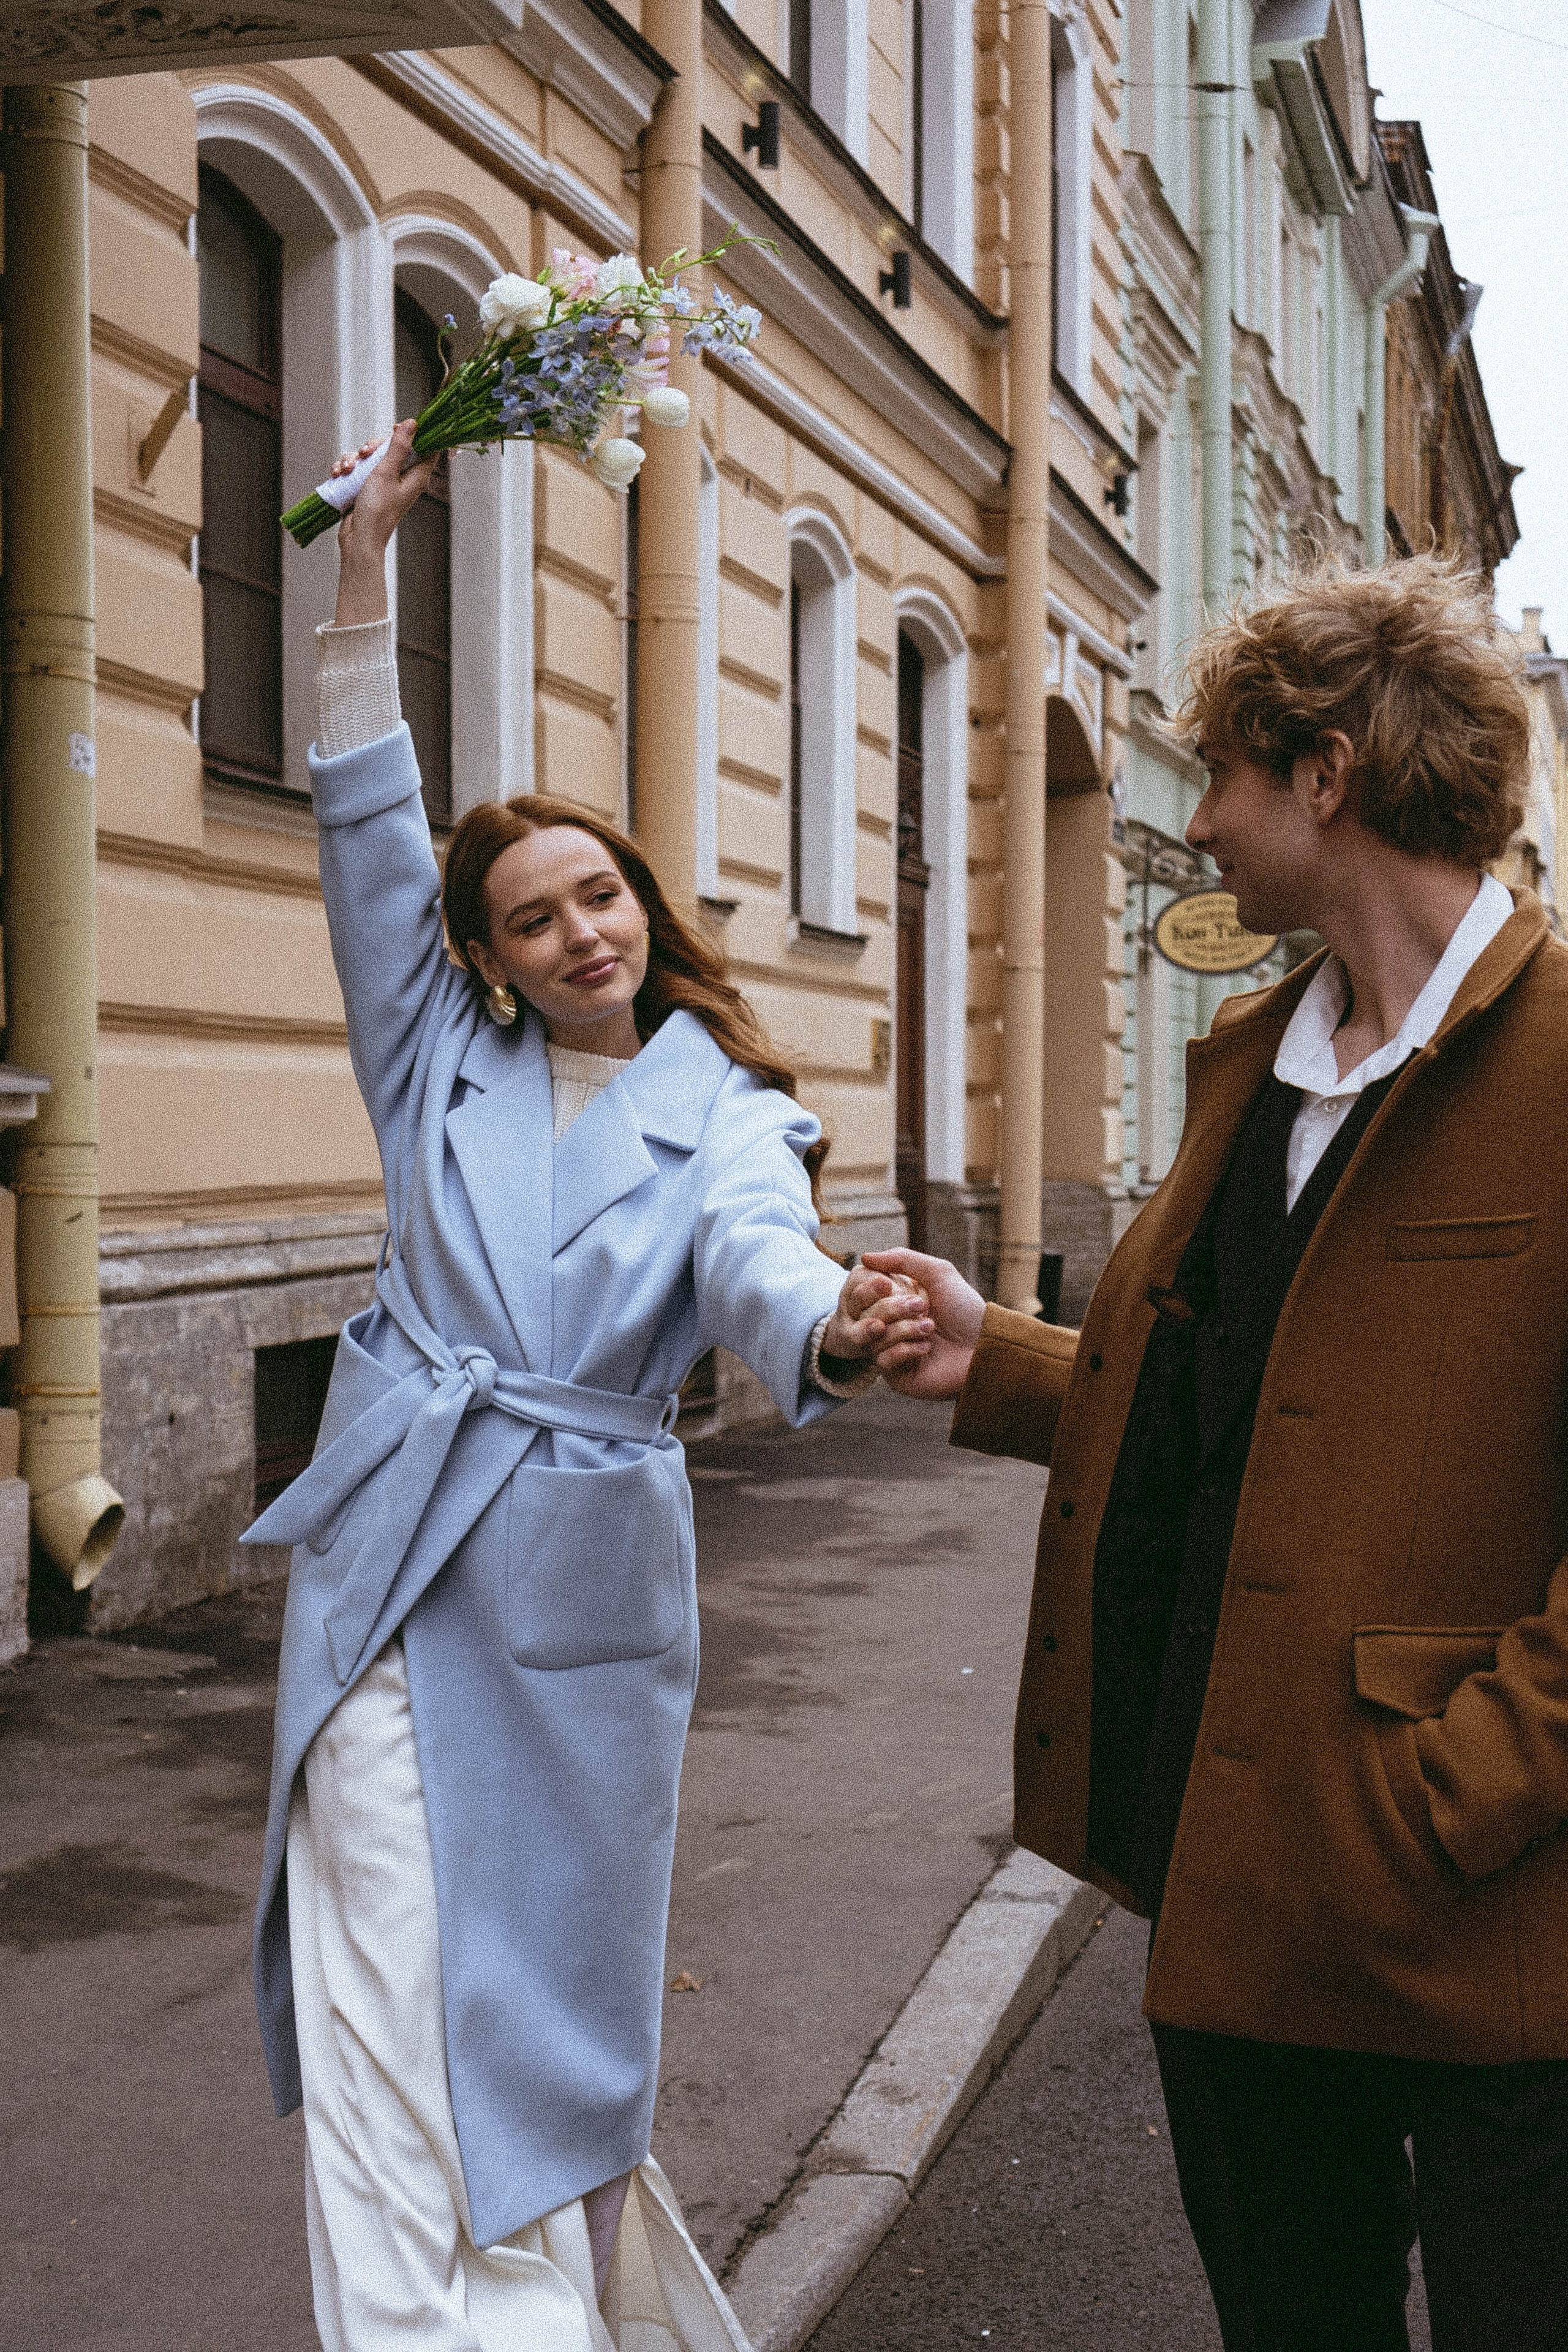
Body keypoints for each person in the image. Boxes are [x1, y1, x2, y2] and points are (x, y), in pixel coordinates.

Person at [244, 420, 932, 2352]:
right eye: (533, 916)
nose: (580, 932)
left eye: (601, 895)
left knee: (544, 2012)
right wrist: (364, 572)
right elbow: (369, 827)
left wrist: (828, 1326)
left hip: (577, 1597)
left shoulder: (724, 1105)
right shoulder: (431, 1067)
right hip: (391, 1564)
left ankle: (576, 2314)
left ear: (644, 902)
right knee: (385, 1971)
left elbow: (753, 1252)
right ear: (482, 957)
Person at [865, 556, 1568, 2352]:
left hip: (1488, 1926)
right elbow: (1240, 1388)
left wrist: (1468, 1785)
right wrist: (996, 1361)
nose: (1198, 825)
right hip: (1232, 1887)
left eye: (1221, 778)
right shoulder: (1256, 1057)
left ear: (1324, 773)